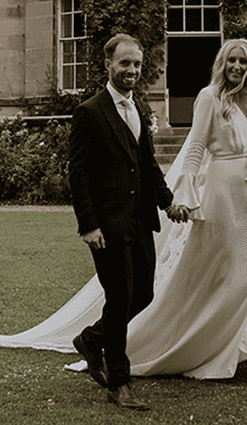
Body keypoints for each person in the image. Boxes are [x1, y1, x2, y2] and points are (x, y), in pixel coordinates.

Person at [0, 37, 247, 388]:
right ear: (222, 64)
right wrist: (180, 197)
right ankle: (144, 360)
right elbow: (191, 151)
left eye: (243, 61)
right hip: (219, 198)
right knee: (204, 280)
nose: (237, 67)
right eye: (231, 61)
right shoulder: (205, 98)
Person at [68, 34, 189, 410]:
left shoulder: (139, 109)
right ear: (108, 65)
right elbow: (79, 173)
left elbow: (148, 164)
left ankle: (92, 338)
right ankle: (119, 383)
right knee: (120, 299)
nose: (132, 71)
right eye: (125, 64)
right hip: (106, 227)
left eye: (136, 64)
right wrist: (88, 225)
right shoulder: (89, 111)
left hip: (140, 221)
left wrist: (168, 203)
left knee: (144, 295)